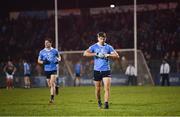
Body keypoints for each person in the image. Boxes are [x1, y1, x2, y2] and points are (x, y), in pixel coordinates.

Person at [83, 32, 119, 109]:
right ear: (98, 38)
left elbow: (117, 56)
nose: (102, 40)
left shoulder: (109, 47)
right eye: (100, 38)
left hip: (106, 70)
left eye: (103, 38)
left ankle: (106, 103)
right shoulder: (94, 46)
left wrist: (108, 55)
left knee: (107, 88)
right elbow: (85, 53)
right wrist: (95, 54)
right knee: (98, 89)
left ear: (105, 38)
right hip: (97, 70)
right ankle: (99, 102)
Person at [38, 38, 61, 103]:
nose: (45, 44)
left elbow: (59, 57)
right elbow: (38, 61)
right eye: (45, 43)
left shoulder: (55, 51)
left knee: (51, 83)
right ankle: (56, 86)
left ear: (50, 43)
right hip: (46, 70)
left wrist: (58, 60)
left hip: (53, 69)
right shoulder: (42, 52)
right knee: (50, 85)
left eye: (47, 42)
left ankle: (52, 99)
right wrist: (43, 62)